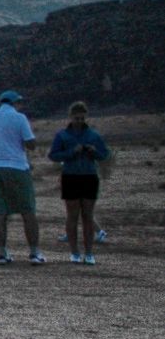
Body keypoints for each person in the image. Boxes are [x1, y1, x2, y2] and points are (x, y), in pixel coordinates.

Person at [0, 89, 44, 265]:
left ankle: (3, 253)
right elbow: (31, 144)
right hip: (17, 166)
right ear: (14, 103)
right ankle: (34, 253)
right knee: (28, 210)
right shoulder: (19, 118)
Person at [49, 102, 109, 265]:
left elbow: (104, 154)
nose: (79, 120)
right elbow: (53, 155)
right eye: (77, 118)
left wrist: (93, 151)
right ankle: (74, 251)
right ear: (71, 117)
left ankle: (89, 252)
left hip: (89, 176)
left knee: (88, 216)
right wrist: (71, 152)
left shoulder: (93, 135)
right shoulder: (62, 135)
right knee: (72, 215)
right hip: (70, 177)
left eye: (82, 118)